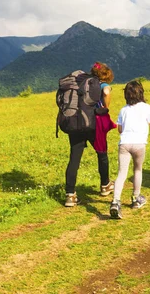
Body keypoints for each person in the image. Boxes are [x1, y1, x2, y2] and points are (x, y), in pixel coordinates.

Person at [109, 80, 150, 219]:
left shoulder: (123, 110)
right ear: (141, 93)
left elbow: (120, 129)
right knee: (137, 170)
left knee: (122, 173)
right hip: (139, 144)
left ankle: (115, 201)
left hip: (124, 144)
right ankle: (136, 198)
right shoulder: (146, 108)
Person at [65, 62, 116, 207]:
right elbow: (106, 92)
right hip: (93, 124)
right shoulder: (99, 84)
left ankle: (70, 195)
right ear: (106, 75)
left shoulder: (81, 83)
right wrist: (106, 106)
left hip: (75, 123)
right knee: (102, 153)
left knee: (74, 159)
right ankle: (105, 185)